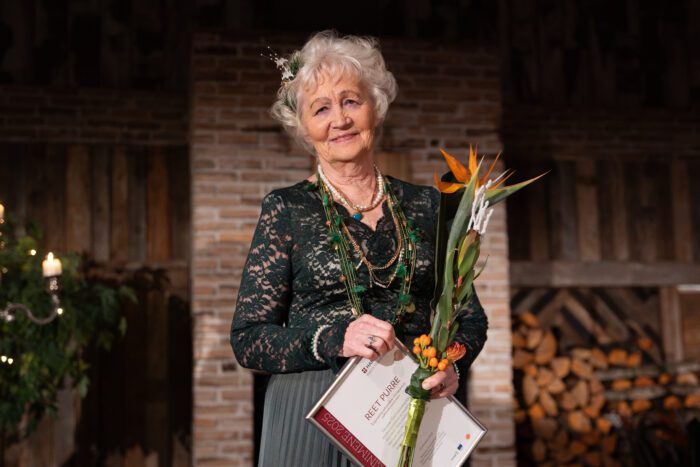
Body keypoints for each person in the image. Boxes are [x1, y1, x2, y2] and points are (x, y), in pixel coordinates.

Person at [230, 30, 488, 466]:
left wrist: (451, 365)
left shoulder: (428, 206)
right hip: (311, 413)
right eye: (321, 109)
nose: (340, 119)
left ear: (375, 107)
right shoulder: (287, 209)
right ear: (304, 127)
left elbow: (469, 317)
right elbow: (248, 339)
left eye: (351, 101)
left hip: (409, 410)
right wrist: (333, 338)